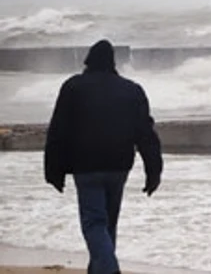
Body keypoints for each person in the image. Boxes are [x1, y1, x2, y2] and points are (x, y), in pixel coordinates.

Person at [43, 39, 163, 274]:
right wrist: (153, 170)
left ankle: (110, 269)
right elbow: (146, 134)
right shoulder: (132, 90)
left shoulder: (73, 87)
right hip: (119, 166)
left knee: (94, 224)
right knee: (107, 225)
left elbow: (58, 131)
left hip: (85, 167)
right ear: (113, 62)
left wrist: (53, 170)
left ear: (88, 61)